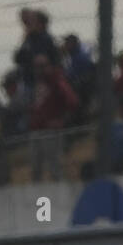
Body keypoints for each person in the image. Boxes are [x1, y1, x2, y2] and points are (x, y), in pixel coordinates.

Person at [28, 53, 79, 181]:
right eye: (36, 67)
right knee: (35, 170)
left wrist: (61, 121)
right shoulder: (37, 84)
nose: (39, 70)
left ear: (49, 66)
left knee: (55, 167)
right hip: (36, 131)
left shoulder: (57, 81)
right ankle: (37, 198)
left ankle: (61, 196)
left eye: (42, 66)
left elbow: (72, 102)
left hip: (51, 132)